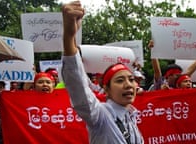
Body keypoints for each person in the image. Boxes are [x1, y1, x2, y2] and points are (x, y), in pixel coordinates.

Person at [61, 1, 144, 143]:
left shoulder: (131, 117)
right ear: (106, 89)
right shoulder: (100, 115)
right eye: (119, 80)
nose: (129, 85)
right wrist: (69, 38)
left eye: (131, 79)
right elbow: (77, 84)